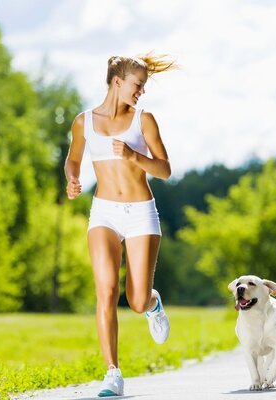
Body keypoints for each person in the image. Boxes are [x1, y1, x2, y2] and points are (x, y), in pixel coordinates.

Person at [64, 53, 177, 397]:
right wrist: (72, 179)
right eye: (137, 85)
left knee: (136, 300)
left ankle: (152, 305)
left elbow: (165, 169)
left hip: (141, 212)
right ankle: (112, 372)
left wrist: (133, 156)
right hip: (104, 213)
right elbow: (73, 159)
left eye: (143, 86)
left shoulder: (144, 121)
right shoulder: (84, 121)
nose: (141, 91)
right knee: (106, 290)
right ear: (117, 81)